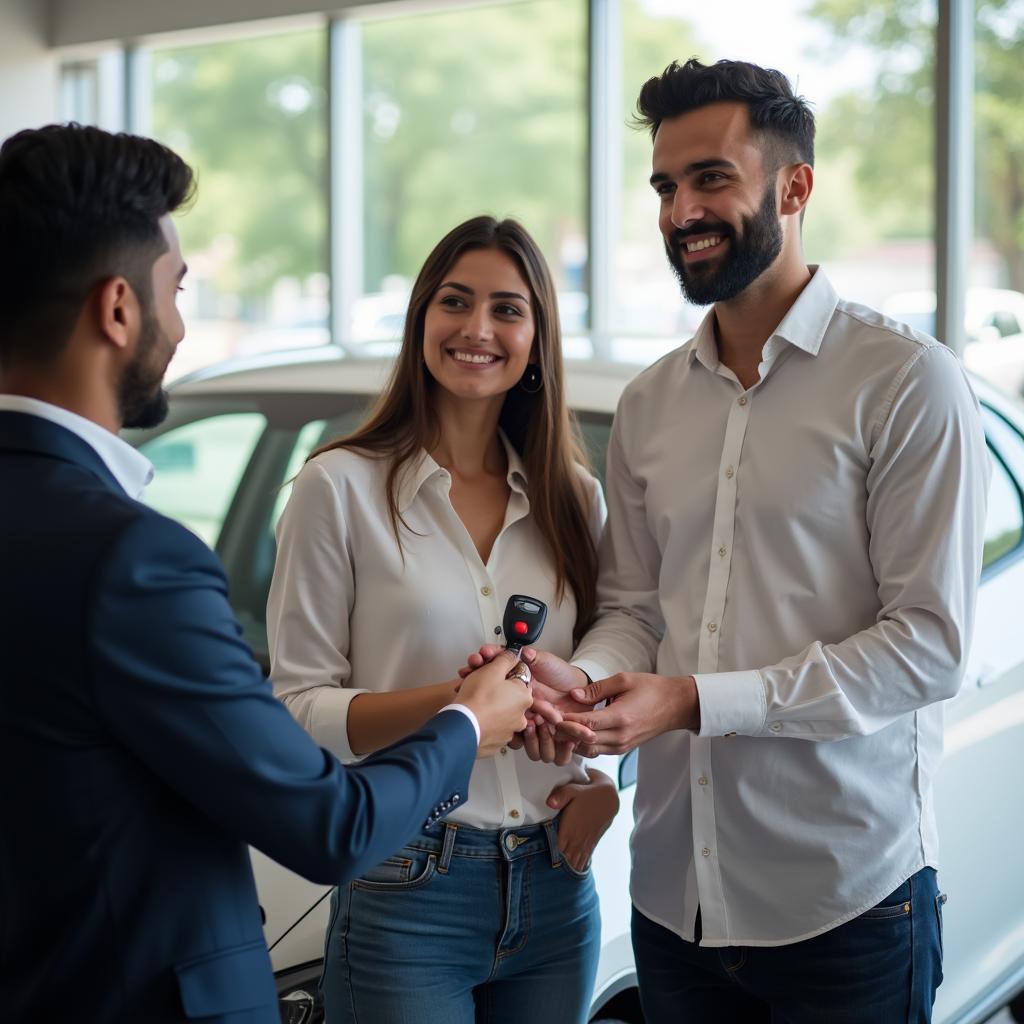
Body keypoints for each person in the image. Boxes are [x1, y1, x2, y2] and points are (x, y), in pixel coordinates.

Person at [469, 59, 989, 1022]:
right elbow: (633, 607)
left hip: (842, 904)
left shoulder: (907, 382)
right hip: (673, 902)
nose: (680, 211)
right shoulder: (650, 402)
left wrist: (696, 702)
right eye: (666, 186)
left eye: (711, 178)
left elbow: (928, 646)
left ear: (795, 187)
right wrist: (582, 682)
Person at [0, 124, 532, 1024]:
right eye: (177, 289)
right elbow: (333, 828)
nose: (181, 321)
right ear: (117, 309)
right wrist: (466, 721)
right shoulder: (132, 558)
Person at [267, 215, 619, 1024]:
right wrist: (460, 715)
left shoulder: (577, 498)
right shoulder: (338, 488)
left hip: (558, 880)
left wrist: (607, 787)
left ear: (537, 336)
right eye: (455, 302)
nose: (477, 329)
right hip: (406, 885)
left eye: (507, 309)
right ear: (422, 316)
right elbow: (296, 709)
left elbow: (614, 660)